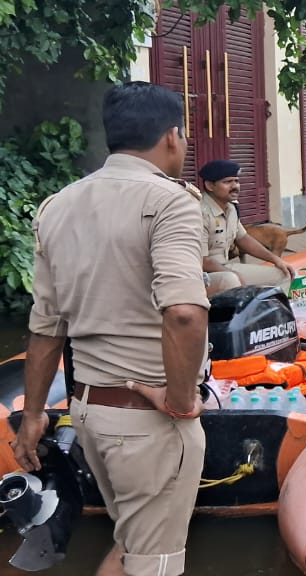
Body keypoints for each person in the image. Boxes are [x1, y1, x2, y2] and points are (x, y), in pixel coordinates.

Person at [13, 81, 209, 576]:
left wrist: (34, 414)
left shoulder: (57, 207)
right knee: (155, 564)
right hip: (148, 421)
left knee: (130, 543)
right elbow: (185, 313)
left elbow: (45, 328)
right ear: (172, 136)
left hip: (87, 413)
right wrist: (182, 401)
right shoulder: (171, 202)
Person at [199, 159, 295, 295]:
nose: (235, 186)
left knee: (283, 274)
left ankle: (271, 315)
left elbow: (243, 238)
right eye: (227, 182)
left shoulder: (231, 208)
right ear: (209, 185)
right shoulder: (199, 212)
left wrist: (276, 260)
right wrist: (233, 274)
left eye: (236, 181)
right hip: (199, 276)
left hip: (224, 268)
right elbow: (200, 260)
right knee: (230, 280)